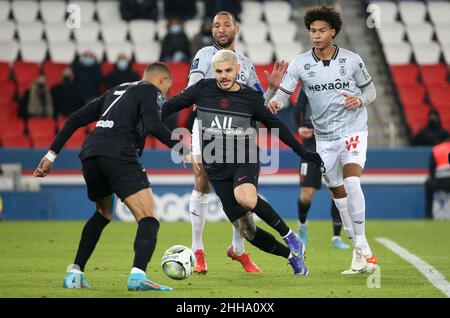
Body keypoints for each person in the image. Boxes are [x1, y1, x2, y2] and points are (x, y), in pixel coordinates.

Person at [162, 49, 323, 276]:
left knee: (245, 198)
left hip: (243, 159)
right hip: (216, 168)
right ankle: (292, 257)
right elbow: (168, 107)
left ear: (238, 70)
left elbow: (275, 125)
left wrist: (301, 151)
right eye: (219, 71)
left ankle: (291, 237)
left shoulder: (250, 98)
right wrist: (165, 135)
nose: (224, 76)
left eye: (228, 70)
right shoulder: (201, 90)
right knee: (247, 231)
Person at [33, 62, 190, 291]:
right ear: (163, 81)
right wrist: (183, 150)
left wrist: (50, 155)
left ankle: (75, 273)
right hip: (119, 155)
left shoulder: (115, 91)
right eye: (165, 90)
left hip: (91, 156)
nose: (163, 97)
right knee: (149, 219)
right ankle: (138, 276)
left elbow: (75, 119)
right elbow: (155, 125)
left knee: (103, 213)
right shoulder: (150, 90)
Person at [266, 5, 379, 274]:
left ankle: (362, 245)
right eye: (312, 31)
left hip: (353, 131)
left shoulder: (351, 59)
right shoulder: (301, 63)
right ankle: (359, 254)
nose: (316, 35)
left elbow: (371, 90)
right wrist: (275, 104)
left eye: (322, 30)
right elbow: (284, 94)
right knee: (338, 196)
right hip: (324, 140)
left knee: (352, 182)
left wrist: (359, 99)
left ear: (333, 31)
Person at [185, 11, 288, 274]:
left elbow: (257, 103)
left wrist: (273, 89)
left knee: (243, 191)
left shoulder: (245, 64)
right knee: (202, 178)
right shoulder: (204, 55)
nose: (220, 29)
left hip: (239, 130)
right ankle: (198, 249)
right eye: (216, 25)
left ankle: (238, 250)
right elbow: (193, 90)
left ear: (236, 28)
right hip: (208, 125)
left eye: (226, 25)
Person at [295, 89, 350, 250]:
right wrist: (299, 128)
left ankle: (336, 237)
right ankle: (302, 228)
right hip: (310, 146)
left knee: (337, 191)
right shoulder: (308, 87)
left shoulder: (338, 86)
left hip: (333, 143)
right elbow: (297, 110)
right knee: (306, 195)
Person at [425, 139, 450, 218]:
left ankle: (429, 215)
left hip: (439, 182)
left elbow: (431, 171)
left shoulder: (436, 149)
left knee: (428, 183)